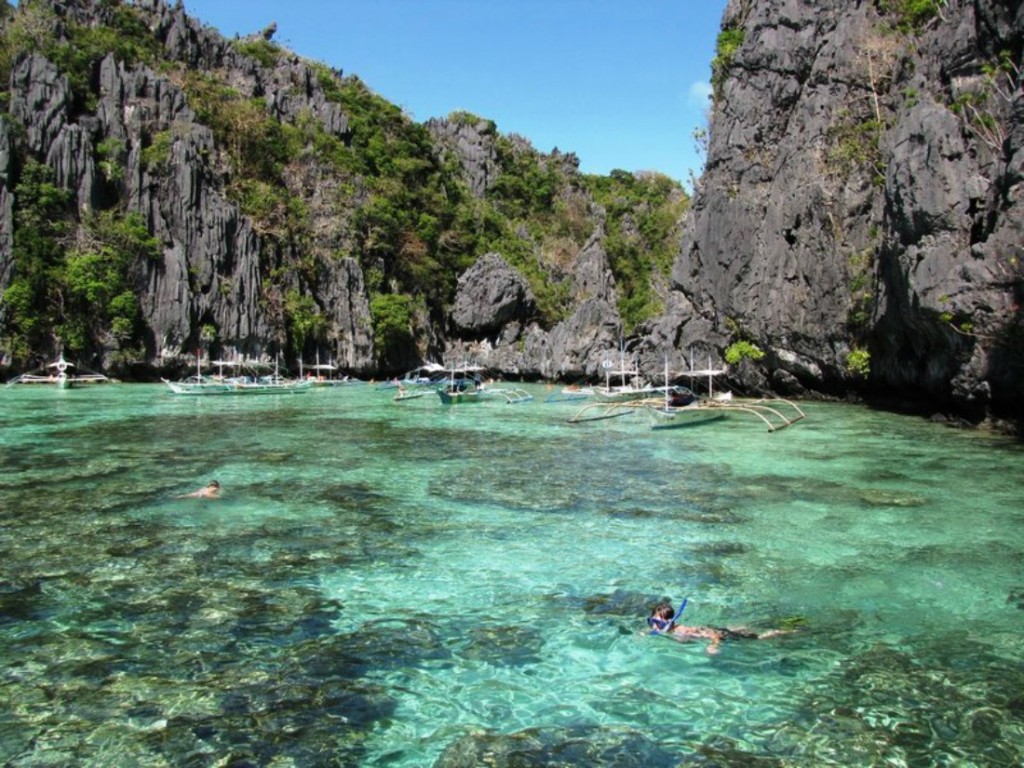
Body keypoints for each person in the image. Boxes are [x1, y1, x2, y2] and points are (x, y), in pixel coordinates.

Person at [647, 602, 794, 654]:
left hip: (723, 635)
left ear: (671, 622)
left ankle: (788, 630)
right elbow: (650, 631)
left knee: (759, 637)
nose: (655, 627)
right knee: (744, 628)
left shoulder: (682, 631)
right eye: (651, 622)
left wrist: (714, 645)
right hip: (718, 629)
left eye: (658, 624)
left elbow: (712, 635)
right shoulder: (660, 629)